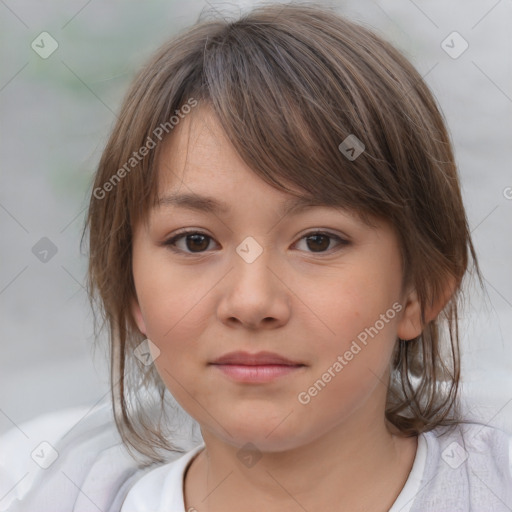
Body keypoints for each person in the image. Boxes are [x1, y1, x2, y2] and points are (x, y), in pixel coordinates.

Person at [2, 2, 511, 511]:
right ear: (133, 289)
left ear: (421, 290)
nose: (251, 301)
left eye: (318, 241)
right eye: (194, 241)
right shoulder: (40, 488)